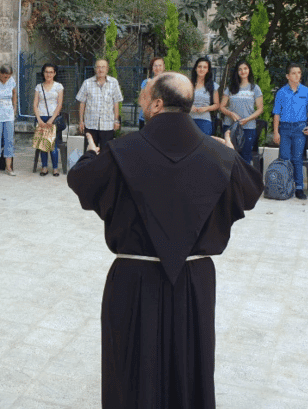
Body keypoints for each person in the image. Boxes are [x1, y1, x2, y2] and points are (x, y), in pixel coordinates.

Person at [68, 72, 263, 408]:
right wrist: (233, 154)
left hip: (134, 280)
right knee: (188, 367)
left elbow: (82, 182)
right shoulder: (219, 156)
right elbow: (250, 191)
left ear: (157, 104)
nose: (141, 100)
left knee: (130, 368)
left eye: (144, 95)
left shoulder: (120, 152)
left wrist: (90, 152)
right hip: (194, 281)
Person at [272, 63, 308, 200]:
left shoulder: (306, 91)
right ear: (287, 76)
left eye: (299, 73)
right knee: (285, 158)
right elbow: (277, 113)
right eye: (294, 73)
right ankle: (285, 185)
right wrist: (276, 132)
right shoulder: (281, 92)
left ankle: (299, 188)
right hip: (284, 128)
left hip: (299, 128)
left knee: (297, 158)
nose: (297, 75)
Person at [220, 59, 264, 164]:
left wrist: (247, 119)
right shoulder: (230, 88)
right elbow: (221, 107)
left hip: (248, 127)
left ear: (249, 70)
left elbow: (260, 109)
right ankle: (231, 180)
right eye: (240, 69)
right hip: (230, 127)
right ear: (237, 72)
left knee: (245, 157)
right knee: (230, 156)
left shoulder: (255, 88)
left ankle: (244, 180)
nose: (243, 71)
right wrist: (231, 114)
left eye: (245, 68)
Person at [77, 58, 123, 151]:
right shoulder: (87, 83)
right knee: (90, 152)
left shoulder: (113, 83)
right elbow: (82, 102)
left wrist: (116, 120)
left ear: (107, 69)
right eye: (98, 67)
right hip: (90, 124)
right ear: (95, 69)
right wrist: (81, 121)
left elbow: (116, 102)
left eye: (103, 67)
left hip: (107, 124)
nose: (100, 70)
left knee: (105, 153)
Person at [32, 63, 64, 176]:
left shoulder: (58, 86)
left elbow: (59, 104)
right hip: (41, 118)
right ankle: (44, 167)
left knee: (53, 145)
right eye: (46, 72)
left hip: (53, 118)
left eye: (51, 72)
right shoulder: (38, 87)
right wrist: (39, 120)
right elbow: (35, 104)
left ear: (54, 73)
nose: (48, 74)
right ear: (43, 73)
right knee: (43, 145)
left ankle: (55, 168)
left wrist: (51, 119)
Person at [189, 57, 220, 135]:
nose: (202, 69)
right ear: (196, 68)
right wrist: (190, 106)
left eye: (205, 67)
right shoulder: (188, 84)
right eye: (199, 66)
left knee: (204, 146)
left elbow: (217, 105)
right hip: (189, 119)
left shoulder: (213, 86)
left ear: (208, 70)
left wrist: (206, 108)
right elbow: (182, 101)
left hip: (205, 121)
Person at [137, 57, 164, 130]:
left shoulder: (167, 83)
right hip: (145, 118)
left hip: (161, 119)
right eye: (155, 65)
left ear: (163, 67)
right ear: (152, 68)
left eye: (160, 65)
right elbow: (141, 100)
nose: (157, 68)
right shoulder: (146, 82)